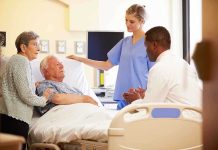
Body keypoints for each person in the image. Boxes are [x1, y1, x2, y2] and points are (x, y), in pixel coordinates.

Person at [67, 4, 154, 110]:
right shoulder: (124, 43)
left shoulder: (149, 44)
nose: (127, 24)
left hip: (140, 97)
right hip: (123, 96)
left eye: (132, 21)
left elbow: (154, 74)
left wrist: (146, 95)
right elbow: (106, 65)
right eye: (126, 20)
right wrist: (80, 59)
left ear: (142, 21)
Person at [123, 26, 202, 109]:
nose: (145, 50)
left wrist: (135, 100)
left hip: (184, 119)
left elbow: (148, 109)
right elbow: (172, 96)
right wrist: (147, 94)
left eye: (146, 46)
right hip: (197, 117)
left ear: (154, 45)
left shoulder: (158, 68)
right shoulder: (183, 64)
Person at [0, 31, 52, 150]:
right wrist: (44, 98)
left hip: (9, 116)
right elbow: (26, 95)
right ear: (23, 47)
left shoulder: (15, 60)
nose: (38, 48)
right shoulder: (21, 61)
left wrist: (33, 85)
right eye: (34, 44)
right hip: (15, 118)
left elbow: (14, 86)